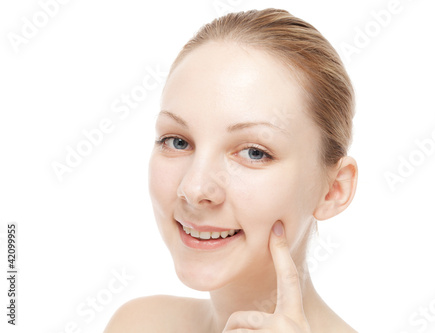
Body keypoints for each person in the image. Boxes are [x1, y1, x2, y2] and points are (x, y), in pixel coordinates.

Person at [105, 8, 358, 333]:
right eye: (178, 142)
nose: (194, 189)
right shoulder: (138, 324)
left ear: (334, 189)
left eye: (254, 152)